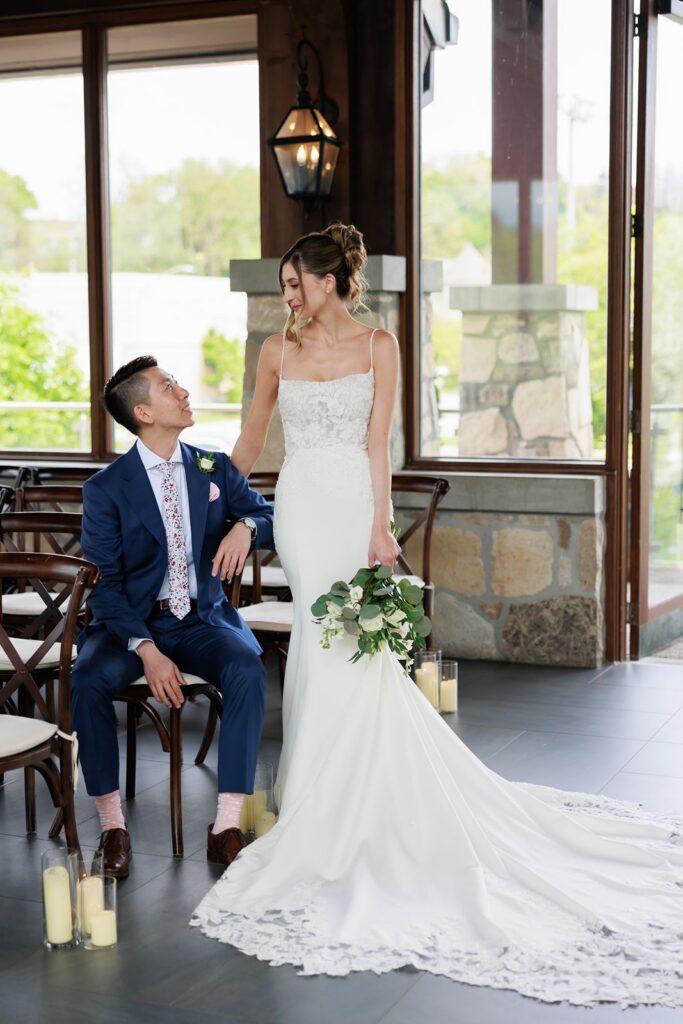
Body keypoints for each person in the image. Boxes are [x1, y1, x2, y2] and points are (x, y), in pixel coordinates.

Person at [192, 224, 683, 1007]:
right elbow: (253, 436)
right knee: (320, 653)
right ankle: (321, 804)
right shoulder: (276, 351)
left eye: (294, 284)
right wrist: (210, 496)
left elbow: (377, 442)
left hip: (350, 504)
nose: (285, 297)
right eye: (283, 286)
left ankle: (357, 809)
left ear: (328, 282)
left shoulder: (379, 343)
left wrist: (382, 525)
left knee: (351, 650)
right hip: (300, 508)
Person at [71, 356, 274, 876]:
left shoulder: (212, 467)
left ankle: (226, 824)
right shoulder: (106, 489)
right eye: (169, 386)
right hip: (130, 626)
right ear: (143, 411)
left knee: (248, 669)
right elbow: (107, 589)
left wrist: (245, 526)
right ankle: (113, 828)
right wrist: (146, 650)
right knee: (88, 680)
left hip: (200, 619)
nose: (183, 391)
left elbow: (266, 513)